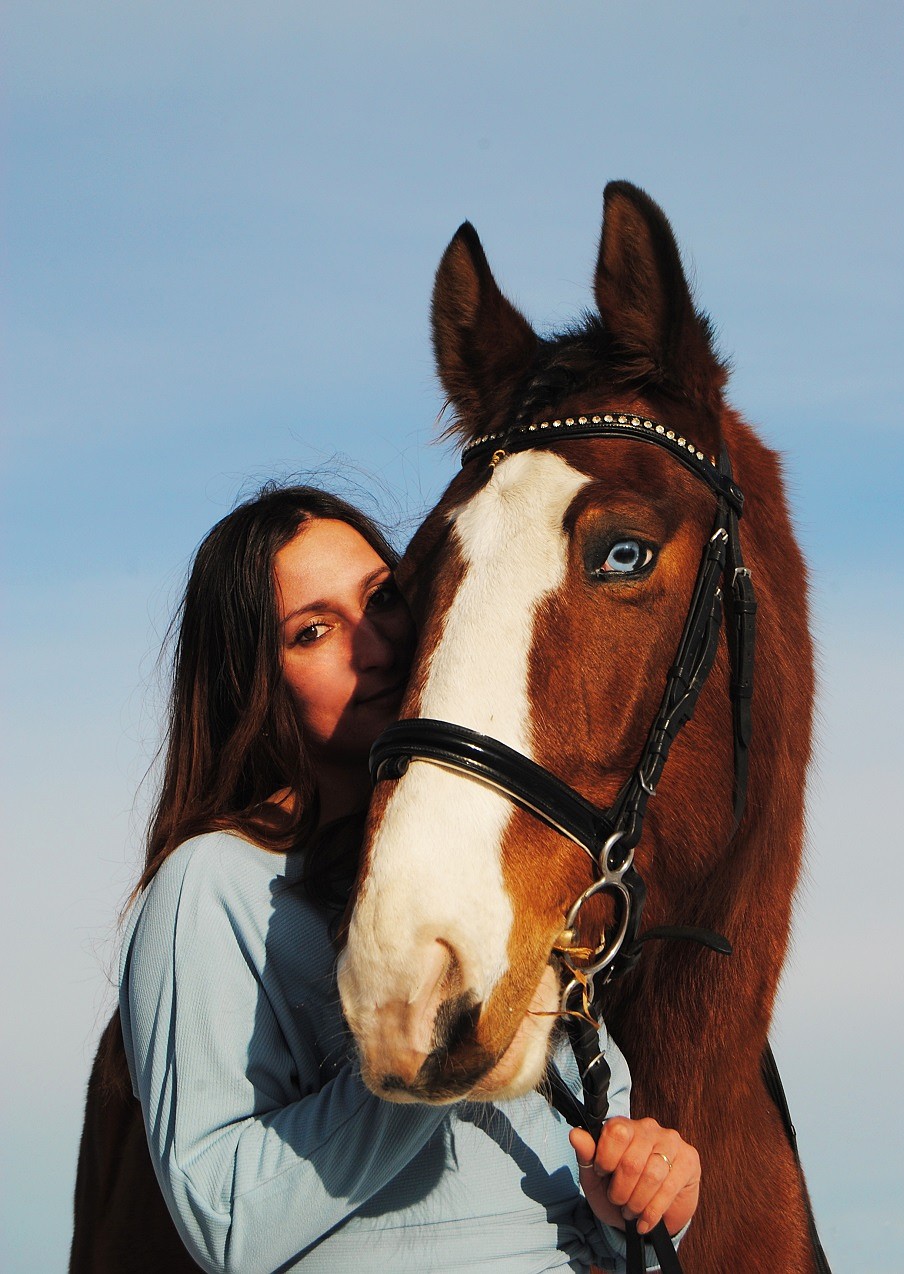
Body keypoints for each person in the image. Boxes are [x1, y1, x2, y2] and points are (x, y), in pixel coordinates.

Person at [109, 483, 700, 1273]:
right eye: (314, 630)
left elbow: (588, 1183)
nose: (373, 644)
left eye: (382, 598)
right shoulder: (212, 883)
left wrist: (646, 1195)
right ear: (254, 681)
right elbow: (222, 1219)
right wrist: (438, 1046)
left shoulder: (496, 864)